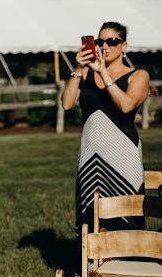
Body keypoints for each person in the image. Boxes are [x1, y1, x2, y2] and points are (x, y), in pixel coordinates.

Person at [61, 21, 149, 251]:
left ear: (124, 45)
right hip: (90, 158)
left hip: (124, 157)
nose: (105, 46)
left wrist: (104, 73)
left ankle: (129, 270)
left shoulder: (138, 75)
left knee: (126, 214)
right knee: (89, 216)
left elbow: (126, 105)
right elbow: (67, 103)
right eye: (100, 41)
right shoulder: (85, 74)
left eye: (112, 41)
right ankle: (87, 273)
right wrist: (78, 68)